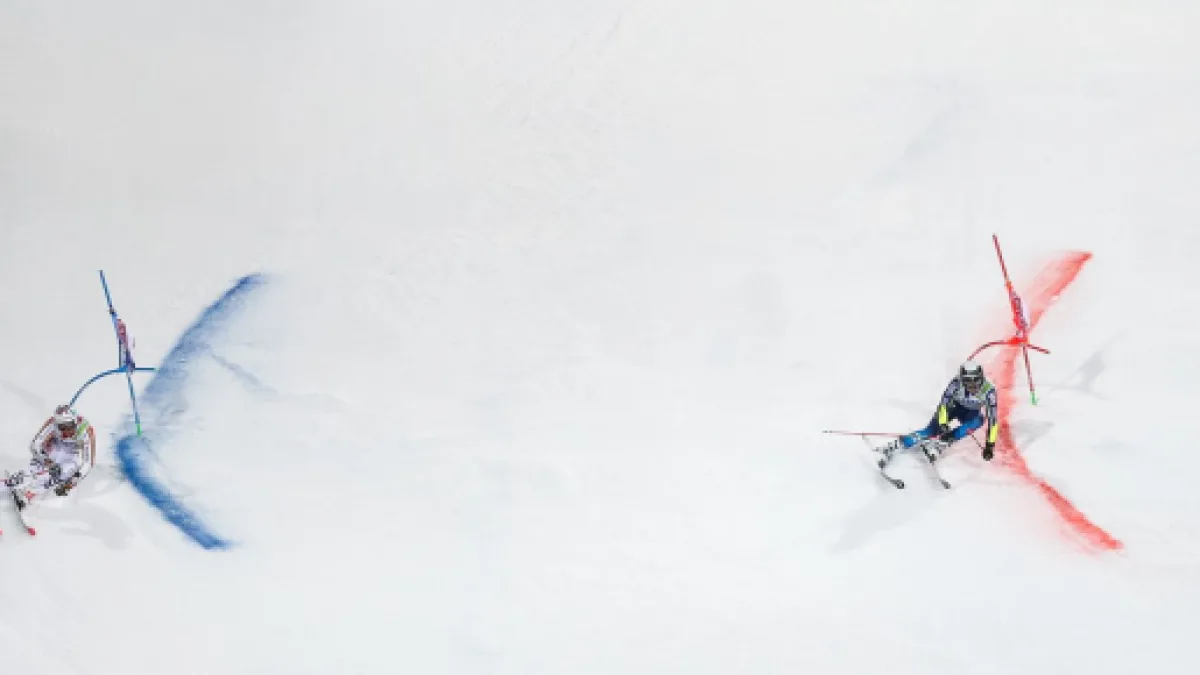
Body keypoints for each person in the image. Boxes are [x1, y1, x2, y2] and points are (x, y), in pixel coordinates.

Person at [876, 360, 998, 465]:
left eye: (976, 380)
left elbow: (993, 420)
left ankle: (943, 442)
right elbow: (944, 404)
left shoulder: (989, 391)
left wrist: (990, 445)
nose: (973, 386)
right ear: (962, 379)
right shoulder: (956, 383)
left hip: (970, 413)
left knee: (979, 420)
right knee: (930, 431)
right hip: (953, 407)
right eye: (968, 381)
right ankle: (897, 444)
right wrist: (943, 423)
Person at [5, 404, 96, 508]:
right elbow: (35, 445)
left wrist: (71, 483)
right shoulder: (52, 423)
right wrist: (48, 462)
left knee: (61, 472)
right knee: (44, 463)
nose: (67, 431)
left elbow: (88, 463)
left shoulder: (86, 431)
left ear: (75, 421)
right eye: (62, 427)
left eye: (70, 425)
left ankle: (30, 494)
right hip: (55, 445)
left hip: (72, 452)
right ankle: (21, 476)